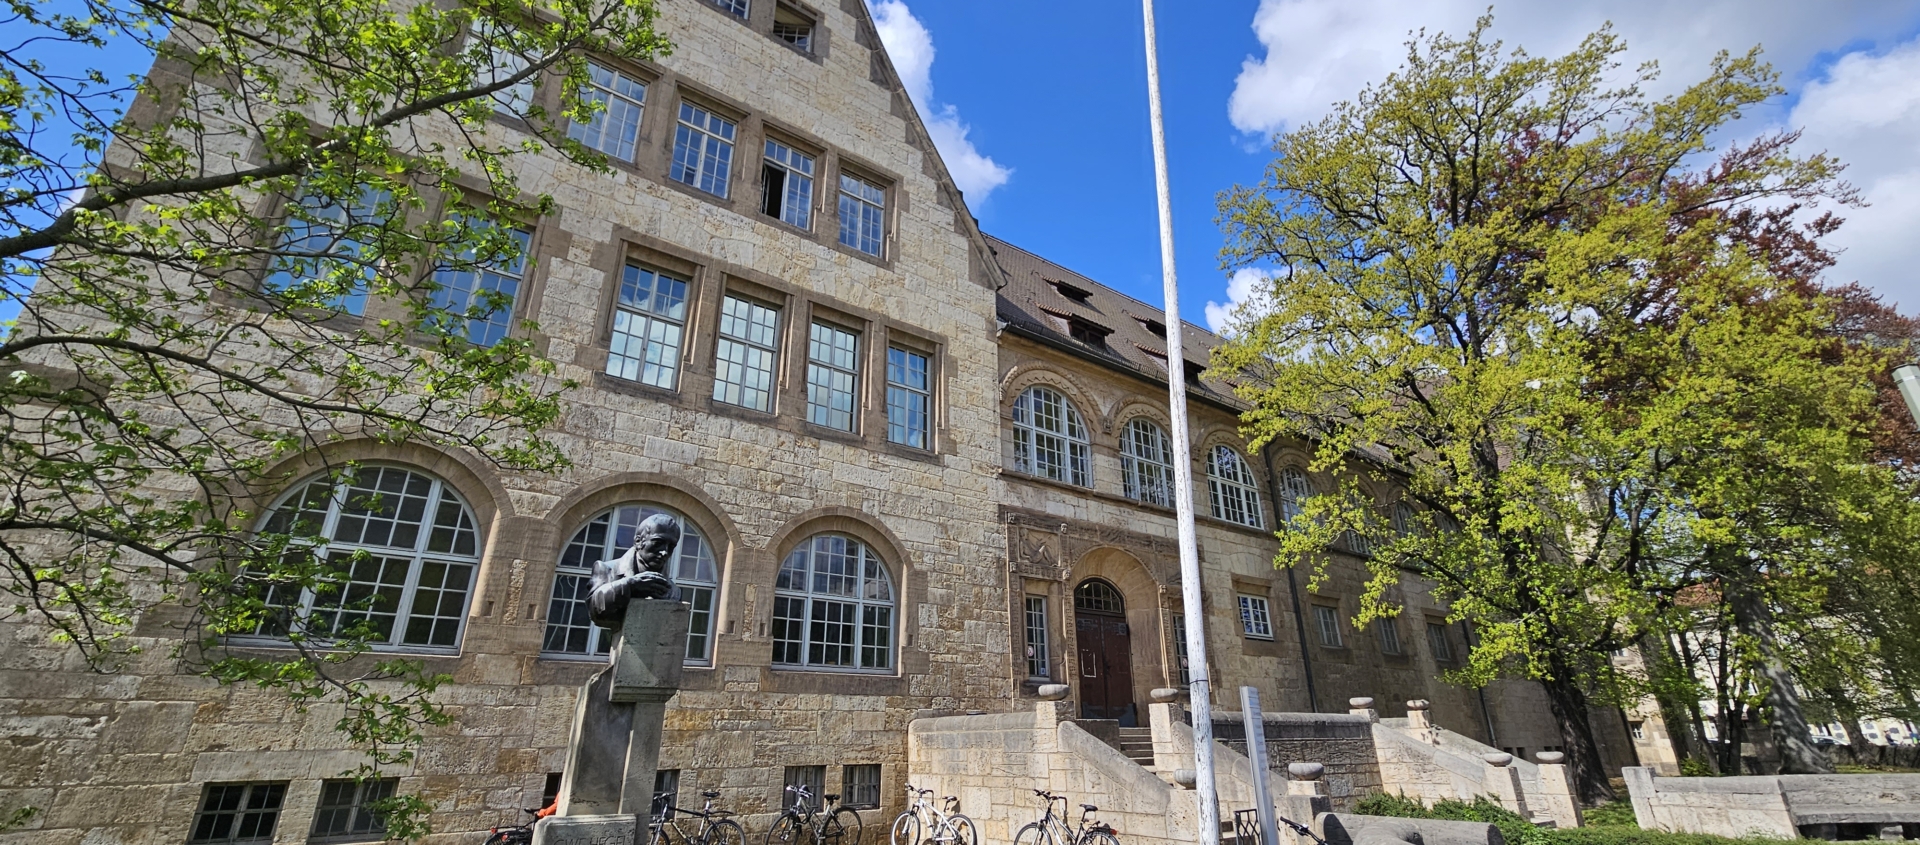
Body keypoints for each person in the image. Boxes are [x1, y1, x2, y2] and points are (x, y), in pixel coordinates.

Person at [586, 513, 680, 629]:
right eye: (658, 543)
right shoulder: (606, 569)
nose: (665, 552)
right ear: (638, 541)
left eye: (671, 547)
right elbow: (595, 608)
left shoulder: (673, 591)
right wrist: (630, 586)